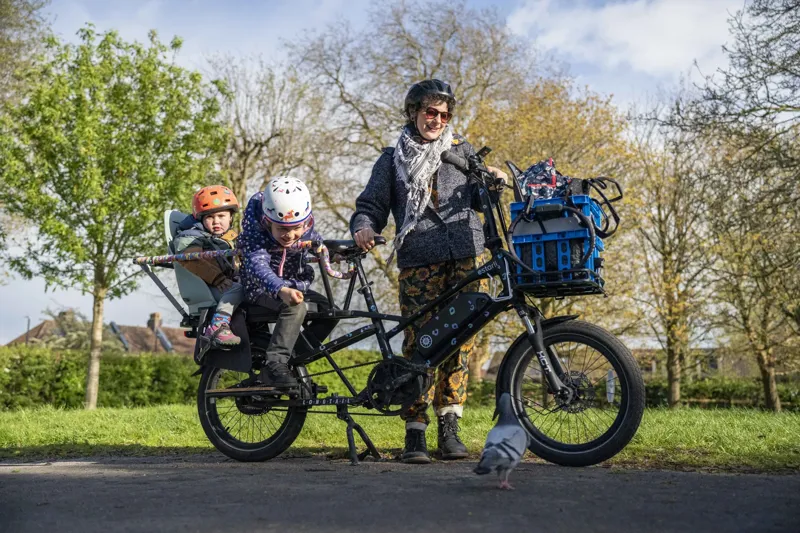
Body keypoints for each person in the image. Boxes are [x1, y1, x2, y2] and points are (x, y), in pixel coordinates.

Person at [350, 79, 507, 463]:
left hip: (466, 255)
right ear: (414, 112)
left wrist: (496, 182)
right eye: (430, 112)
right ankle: (415, 433)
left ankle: (450, 430)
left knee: (461, 342)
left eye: (444, 114)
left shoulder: (463, 152)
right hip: (419, 259)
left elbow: (480, 198)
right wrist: (363, 227)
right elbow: (370, 205)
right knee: (419, 344)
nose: (437, 119)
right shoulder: (391, 159)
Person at [239, 177, 322, 386]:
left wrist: (321, 246)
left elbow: (313, 237)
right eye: (282, 229)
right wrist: (280, 289)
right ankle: (274, 365)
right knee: (295, 308)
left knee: (328, 309)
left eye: (296, 228)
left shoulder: (304, 225)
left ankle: (295, 357)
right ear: (268, 223)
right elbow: (256, 265)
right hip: (260, 288)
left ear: (306, 221)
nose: (290, 235)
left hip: (293, 283)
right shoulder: (255, 233)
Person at [174, 185, 243, 346]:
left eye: (221, 216)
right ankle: (219, 326)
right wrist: (217, 278)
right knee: (239, 289)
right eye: (210, 217)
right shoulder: (190, 236)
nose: (216, 221)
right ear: (200, 219)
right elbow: (191, 259)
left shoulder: (227, 238)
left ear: (231, 217)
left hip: (225, 282)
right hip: (210, 286)